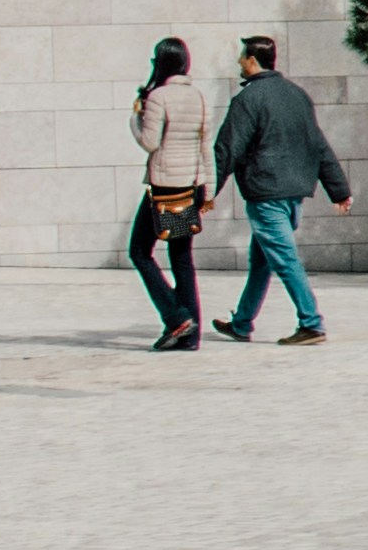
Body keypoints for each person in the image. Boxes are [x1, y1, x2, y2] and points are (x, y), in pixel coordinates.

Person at [210, 32, 354, 345]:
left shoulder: (249, 99)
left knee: (285, 260)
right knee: (262, 261)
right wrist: (339, 190)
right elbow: (318, 144)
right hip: (292, 195)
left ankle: (311, 324)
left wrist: (207, 191)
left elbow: (227, 149)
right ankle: (242, 323)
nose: (239, 62)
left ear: (252, 60)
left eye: (242, 56)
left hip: (266, 194)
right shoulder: (297, 95)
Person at [126, 38, 213, 351]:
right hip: (190, 185)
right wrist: (208, 189)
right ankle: (190, 335)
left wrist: (135, 118)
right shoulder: (198, 97)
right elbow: (206, 147)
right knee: (181, 257)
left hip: (165, 187)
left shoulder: (159, 96)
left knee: (139, 251)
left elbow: (149, 142)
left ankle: (176, 317)